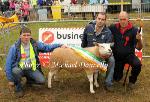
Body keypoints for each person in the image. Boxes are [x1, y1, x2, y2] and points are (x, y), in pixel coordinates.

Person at [5, 26, 65, 98]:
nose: (26, 37)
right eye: (24, 35)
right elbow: (8, 64)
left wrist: (60, 45)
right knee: (16, 71)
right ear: (20, 36)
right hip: (19, 69)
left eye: (28, 35)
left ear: (30, 36)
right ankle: (18, 88)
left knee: (42, 81)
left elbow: (47, 47)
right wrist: (10, 79)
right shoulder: (14, 47)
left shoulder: (35, 44)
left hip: (31, 69)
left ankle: (29, 81)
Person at [81, 12, 115, 91]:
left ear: (105, 21)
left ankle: (108, 83)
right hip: (90, 55)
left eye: (103, 19)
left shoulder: (108, 32)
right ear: (96, 18)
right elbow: (83, 43)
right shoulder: (88, 27)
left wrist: (102, 57)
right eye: (99, 19)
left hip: (102, 55)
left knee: (111, 60)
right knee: (91, 76)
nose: (100, 21)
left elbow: (107, 49)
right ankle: (94, 74)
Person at [109, 11, 143, 89]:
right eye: (120, 19)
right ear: (118, 19)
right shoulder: (113, 27)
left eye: (124, 19)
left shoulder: (134, 30)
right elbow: (104, 30)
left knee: (137, 64)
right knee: (117, 78)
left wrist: (139, 39)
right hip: (117, 56)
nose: (122, 21)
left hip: (129, 55)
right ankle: (117, 75)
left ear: (128, 19)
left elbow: (139, 48)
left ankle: (132, 81)